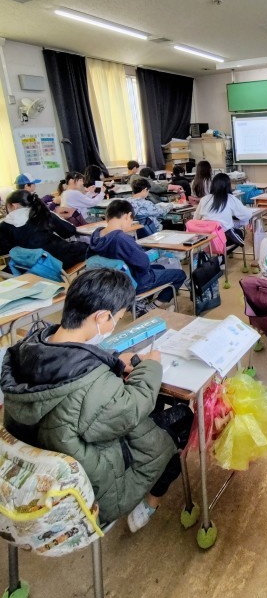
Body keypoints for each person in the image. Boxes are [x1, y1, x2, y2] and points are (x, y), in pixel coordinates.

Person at [0, 268, 193, 532]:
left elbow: (75, 367)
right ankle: (150, 501)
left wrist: (110, 360)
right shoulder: (89, 385)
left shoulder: (27, 350)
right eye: (118, 318)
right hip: (94, 490)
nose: (114, 325)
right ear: (102, 317)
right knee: (183, 417)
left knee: (150, 409)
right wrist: (151, 365)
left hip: (42, 475)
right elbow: (131, 409)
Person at [88, 199, 186, 307]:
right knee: (180, 274)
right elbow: (143, 264)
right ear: (127, 215)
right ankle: (153, 305)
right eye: (131, 220)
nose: (130, 224)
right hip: (133, 283)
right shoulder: (121, 238)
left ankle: (141, 303)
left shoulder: (96, 235)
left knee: (160, 268)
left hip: (110, 284)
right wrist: (154, 254)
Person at [0, 190, 88, 270]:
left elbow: (3, 250)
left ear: (13, 206)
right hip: (60, 261)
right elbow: (69, 231)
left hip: (30, 267)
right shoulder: (43, 214)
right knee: (84, 246)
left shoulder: (5, 225)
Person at [196, 172, 253, 247]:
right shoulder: (230, 198)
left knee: (232, 224)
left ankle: (217, 252)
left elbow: (195, 219)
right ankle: (222, 252)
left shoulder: (204, 199)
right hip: (223, 237)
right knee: (240, 231)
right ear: (228, 186)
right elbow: (247, 215)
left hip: (206, 237)